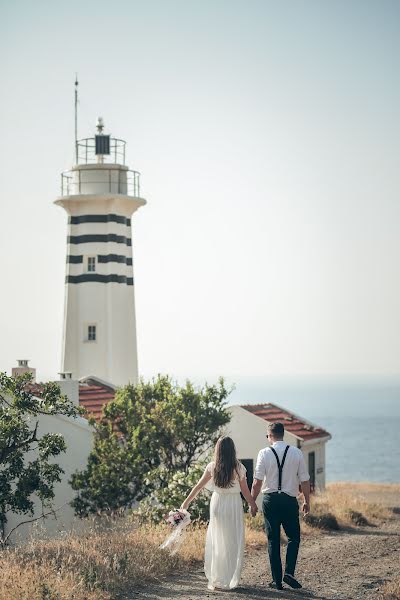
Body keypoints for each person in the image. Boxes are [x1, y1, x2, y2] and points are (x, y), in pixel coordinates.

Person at [180, 436, 258, 591]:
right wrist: (253, 505)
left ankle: (217, 578)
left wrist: (186, 503)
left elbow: (198, 486)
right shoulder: (239, 468)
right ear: (232, 450)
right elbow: (245, 490)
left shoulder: (212, 466)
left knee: (217, 540)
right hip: (233, 505)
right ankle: (228, 578)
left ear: (218, 450)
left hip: (217, 503)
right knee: (232, 541)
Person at [251, 422, 311, 591]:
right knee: (294, 538)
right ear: (282, 434)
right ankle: (289, 573)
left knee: (273, 540)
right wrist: (307, 501)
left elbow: (257, 482)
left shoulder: (264, 453)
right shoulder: (296, 452)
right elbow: (305, 480)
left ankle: (277, 581)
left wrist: (252, 502)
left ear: (270, 436)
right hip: (289, 501)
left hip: (270, 501)